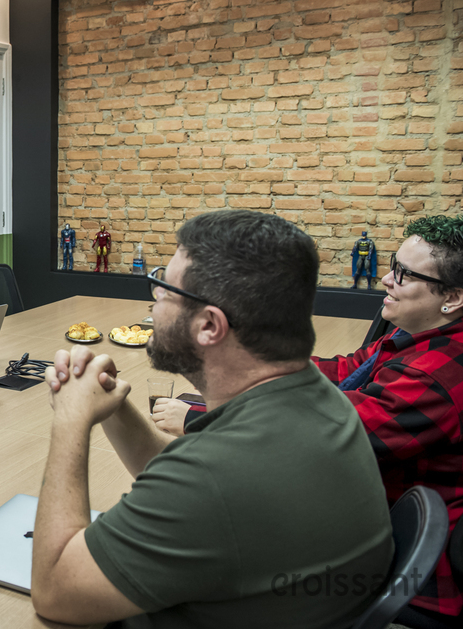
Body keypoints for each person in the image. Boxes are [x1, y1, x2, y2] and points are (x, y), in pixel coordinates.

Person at [32, 209, 393, 628]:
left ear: (208, 325)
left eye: (165, 290)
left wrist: (71, 419)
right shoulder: (320, 399)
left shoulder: (215, 475)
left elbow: (55, 592)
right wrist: (113, 408)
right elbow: (184, 474)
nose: (153, 302)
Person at [313, 215, 463, 628]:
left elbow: (324, 435)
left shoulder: (435, 374)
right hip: (376, 517)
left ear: (452, 297)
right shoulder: (416, 335)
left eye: (404, 274)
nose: (385, 279)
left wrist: (202, 414)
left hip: (408, 567)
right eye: (393, 265)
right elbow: (344, 371)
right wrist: (255, 361)